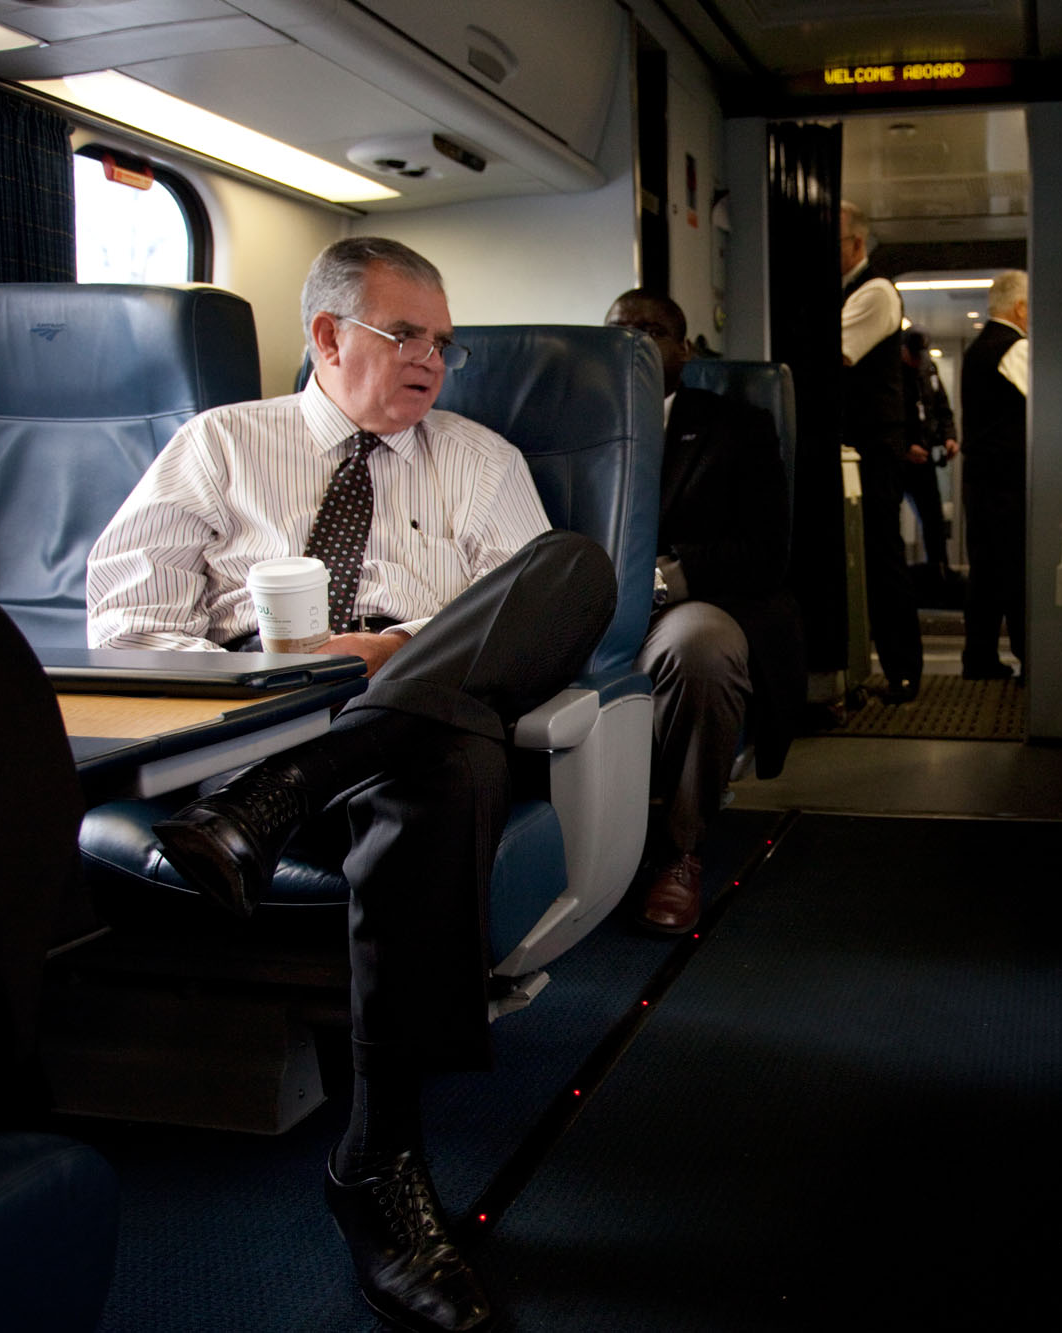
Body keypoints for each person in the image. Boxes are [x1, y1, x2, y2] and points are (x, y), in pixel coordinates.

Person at [87, 236, 617, 1333]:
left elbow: (532, 627)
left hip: (416, 718)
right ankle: (377, 1157)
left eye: (443, 342)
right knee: (448, 748)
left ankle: (375, 1149)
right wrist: (292, 667)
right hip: (259, 721)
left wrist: (396, 654)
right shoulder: (221, 446)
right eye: (404, 333)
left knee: (570, 573)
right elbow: (126, 627)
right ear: (327, 336)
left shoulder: (478, 457)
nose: (432, 359)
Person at [603, 290, 805, 935]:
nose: (634, 341)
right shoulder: (565, 418)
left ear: (683, 352)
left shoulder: (733, 428)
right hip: (580, 599)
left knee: (703, 650)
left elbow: (765, 553)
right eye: (620, 329)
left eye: (652, 331)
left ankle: (679, 850)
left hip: (683, 603)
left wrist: (666, 576)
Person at [839, 201, 925, 703]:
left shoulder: (874, 292)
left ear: (856, 245)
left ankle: (903, 669)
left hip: (874, 445)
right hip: (861, 443)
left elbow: (837, 357)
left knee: (881, 555)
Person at [959, 269, 1030, 680]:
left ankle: (979, 658)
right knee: (1016, 570)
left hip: (981, 478)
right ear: (1020, 307)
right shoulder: (1013, 348)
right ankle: (1028, 656)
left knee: (985, 572)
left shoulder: (978, 348)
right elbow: (1042, 408)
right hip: (1007, 481)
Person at [900, 327, 958, 600]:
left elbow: (943, 409)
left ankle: (939, 575)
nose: (917, 359)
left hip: (924, 460)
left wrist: (949, 437)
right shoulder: (891, 375)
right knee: (887, 524)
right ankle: (898, 582)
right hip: (897, 462)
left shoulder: (928, 369)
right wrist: (903, 448)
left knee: (933, 519)